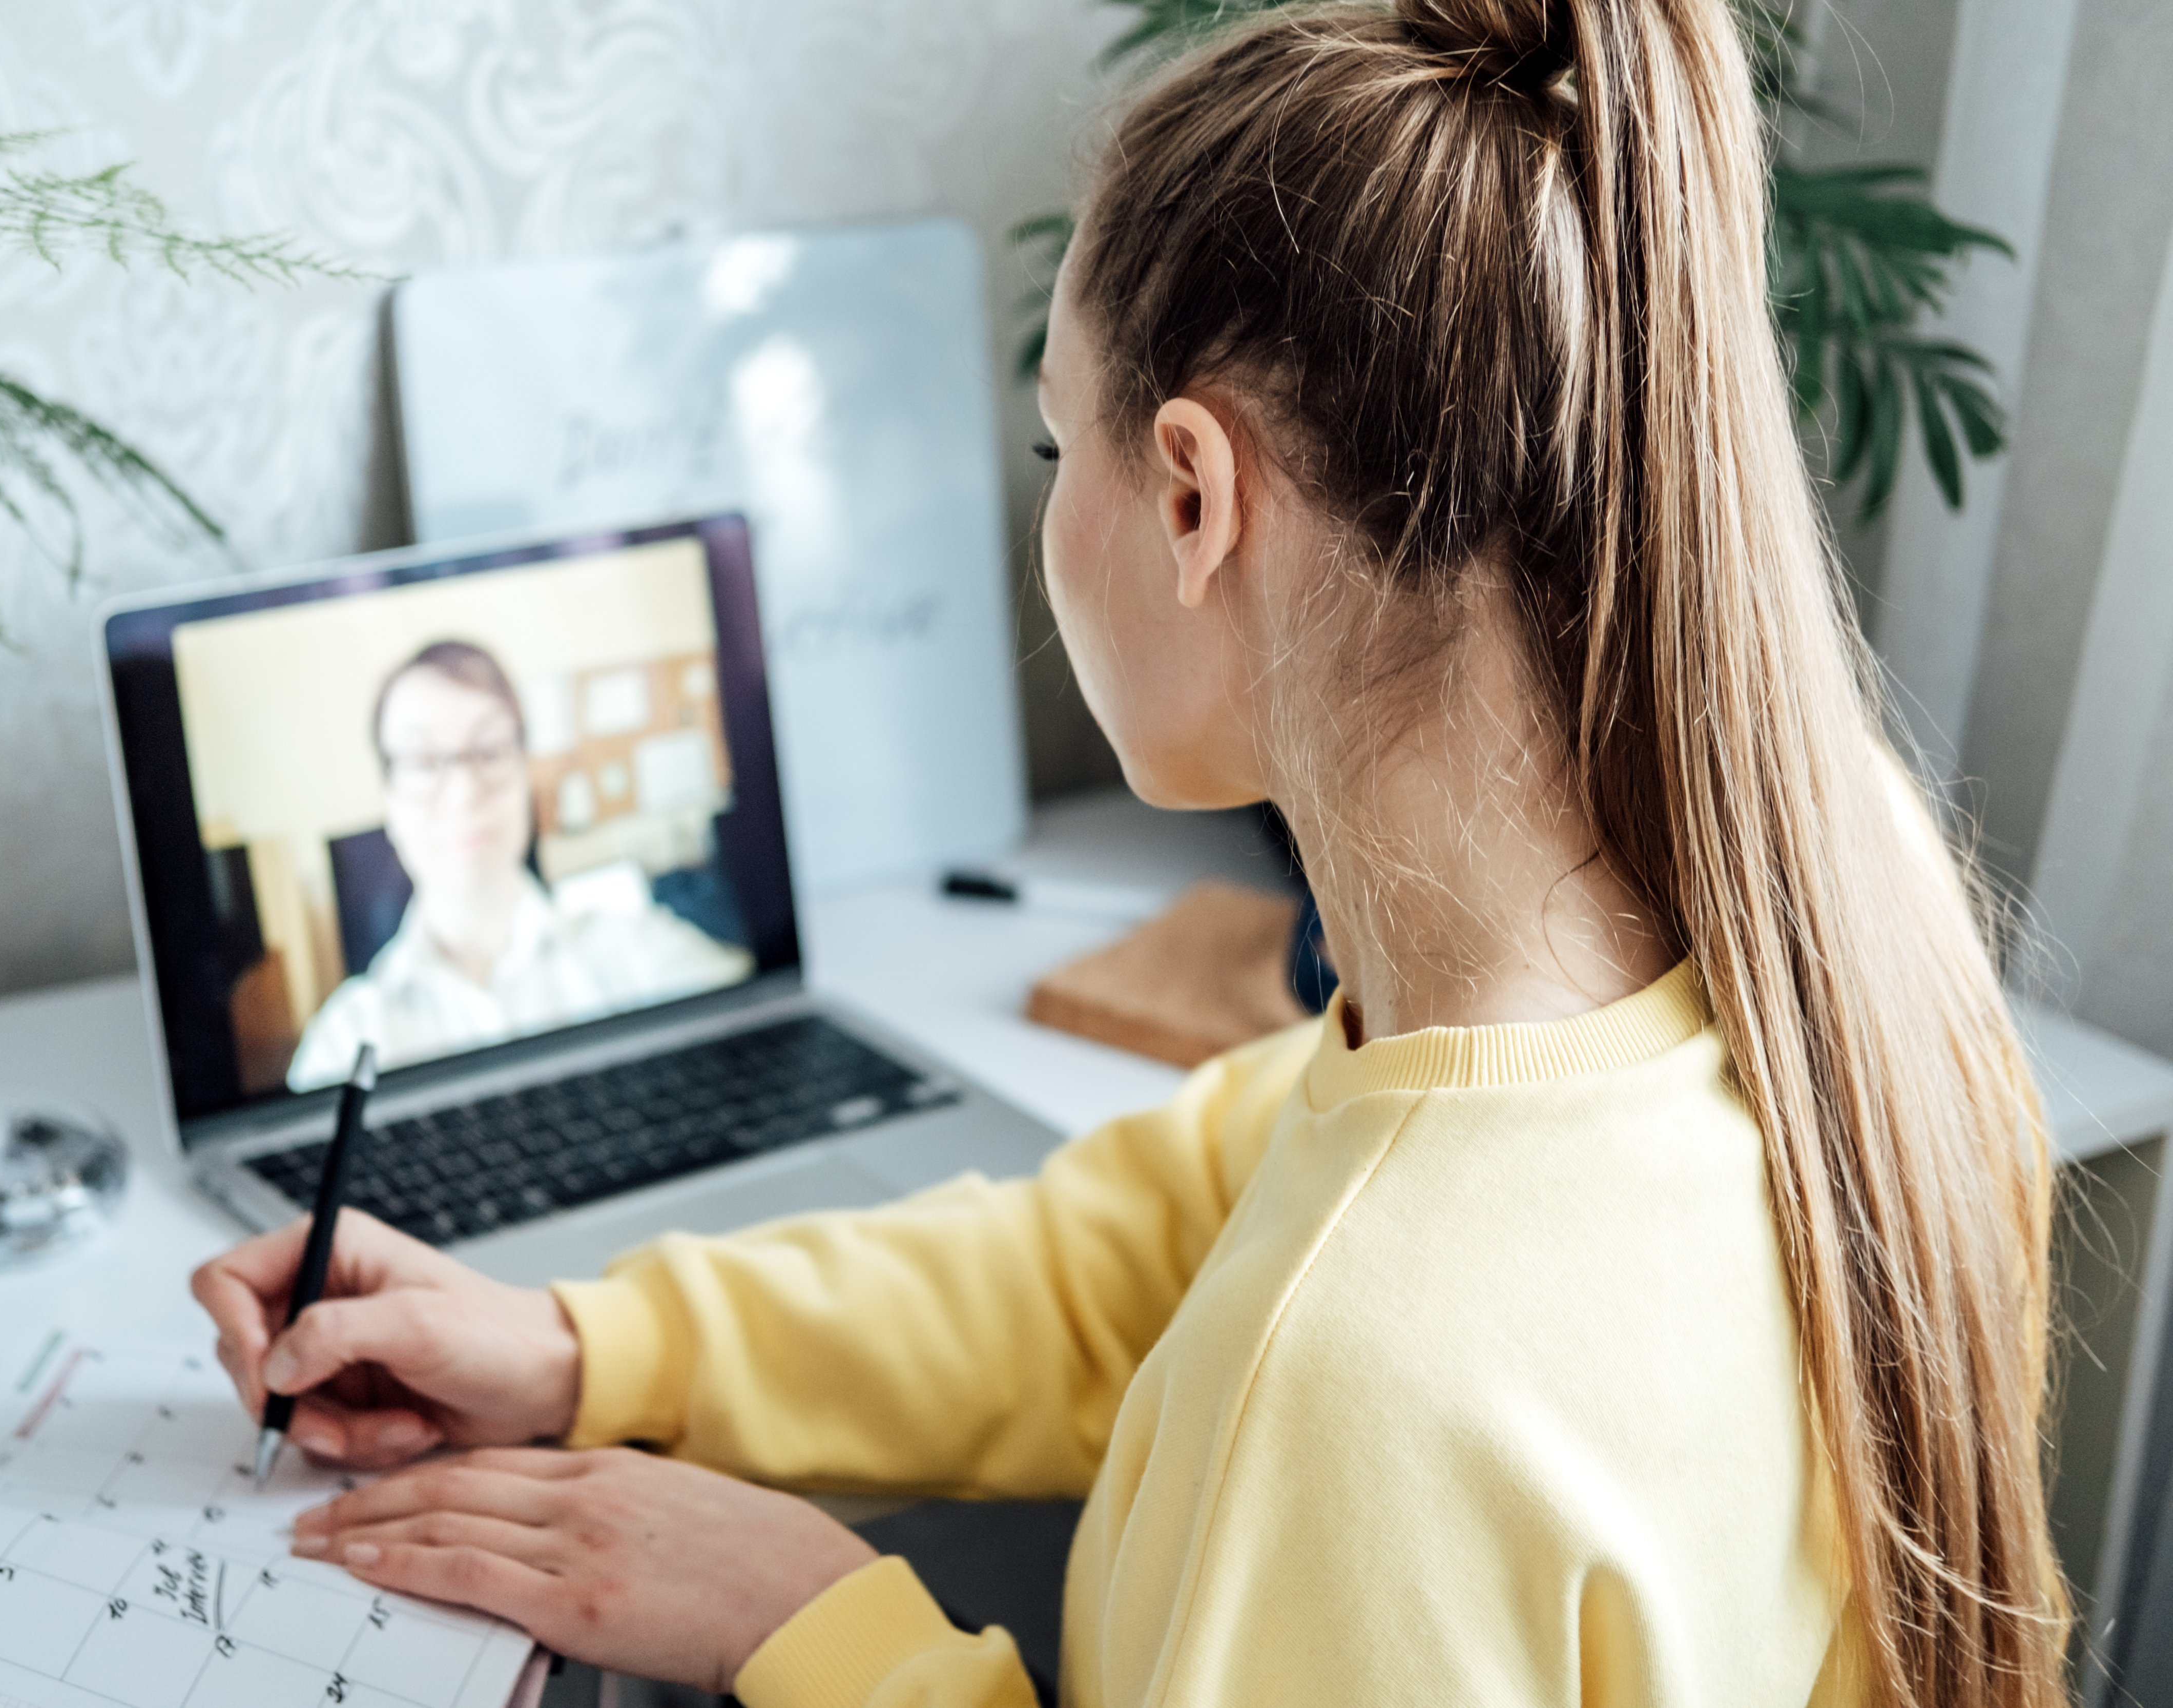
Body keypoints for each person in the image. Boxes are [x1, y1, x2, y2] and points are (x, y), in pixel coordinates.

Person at [198, 2, 2068, 1702]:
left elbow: (1293, 1323)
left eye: (1048, 454)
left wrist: (815, 1627)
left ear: (1191, 493)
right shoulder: (1815, 904)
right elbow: (1125, 1254)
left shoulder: (1378, 1387)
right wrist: (588, 1347)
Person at [285, 640, 753, 1090]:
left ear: (526, 773)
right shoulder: (342, 1044)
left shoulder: (639, 953)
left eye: (489, 750)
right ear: (389, 802)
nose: (465, 791)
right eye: (424, 760)